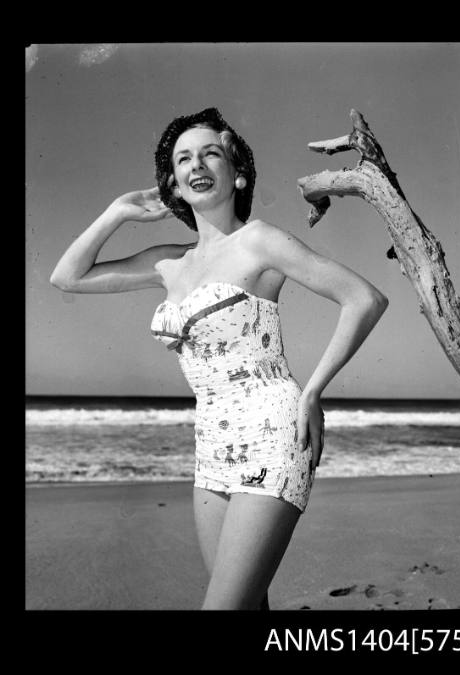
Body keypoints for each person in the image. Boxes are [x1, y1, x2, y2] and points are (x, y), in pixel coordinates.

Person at [50, 107, 388, 610]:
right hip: (211, 443)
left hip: (275, 432)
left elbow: (364, 298)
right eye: (182, 159)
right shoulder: (169, 263)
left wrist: (313, 391)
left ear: (238, 172)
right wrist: (118, 211)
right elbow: (67, 277)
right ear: (174, 185)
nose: (196, 164)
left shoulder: (259, 241)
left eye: (210, 152)